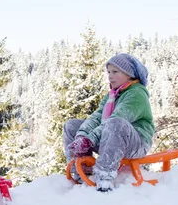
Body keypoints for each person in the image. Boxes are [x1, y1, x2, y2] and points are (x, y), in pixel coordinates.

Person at [63, 53, 154, 192]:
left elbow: (117, 118)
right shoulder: (112, 95)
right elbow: (97, 117)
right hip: (111, 138)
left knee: (116, 123)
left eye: (115, 72)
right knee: (72, 126)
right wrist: (82, 136)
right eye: (109, 72)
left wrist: (90, 139)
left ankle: (105, 176)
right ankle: (82, 171)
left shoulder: (137, 94)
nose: (110, 76)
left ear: (129, 74)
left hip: (136, 142)